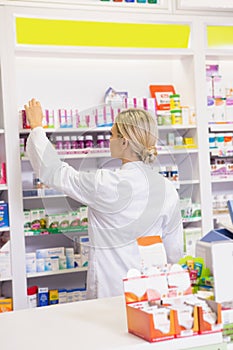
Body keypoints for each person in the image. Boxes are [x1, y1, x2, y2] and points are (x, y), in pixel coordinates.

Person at [24, 98, 183, 299]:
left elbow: (55, 172)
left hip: (112, 289)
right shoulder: (167, 189)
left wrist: (37, 127)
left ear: (124, 142)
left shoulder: (106, 184)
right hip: (152, 290)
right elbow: (174, 251)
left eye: (112, 134)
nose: (109, 139)